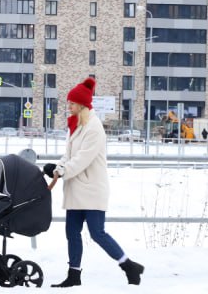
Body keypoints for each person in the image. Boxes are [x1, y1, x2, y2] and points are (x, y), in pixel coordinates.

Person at [42, 76, 144, 287]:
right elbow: (69, 155)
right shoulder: (77, 125)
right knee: (72, 233)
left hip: (91, 189)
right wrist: (56, 167)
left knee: (97, 233)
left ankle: (128, 266)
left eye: (71, 103)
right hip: (76, 189)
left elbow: (82, 160)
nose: (68, 106)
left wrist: (62, 171)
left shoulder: (94, 127)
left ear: (80, 104)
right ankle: (74, 275)